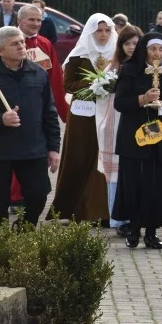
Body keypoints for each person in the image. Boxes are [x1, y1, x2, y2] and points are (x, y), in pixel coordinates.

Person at [112, 33, 162, 249]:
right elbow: (120, 103)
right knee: (135, 183)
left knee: (158, 185)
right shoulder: (129, 69)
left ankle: (152, 233)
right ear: (144, 50)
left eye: (161, 50)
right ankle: (133, 230)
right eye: (153, 49)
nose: (157, 54)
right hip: (134, 137)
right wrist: (143, 99)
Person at [0, 27, 60, 226]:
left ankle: (24, 229)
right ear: (0, 50)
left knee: (39, 195)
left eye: (22, 42)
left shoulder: (37, 73)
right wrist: (0, 119)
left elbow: (50, 113)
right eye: (15, 43)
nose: (22, 46)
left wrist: (54, 148)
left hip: (33, 148)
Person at [51, 14, 118, 224]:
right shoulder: (78, 55)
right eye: (99, 30)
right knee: (79, 158)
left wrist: (111, 86)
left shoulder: (117, 54)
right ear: (91, 31)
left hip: (108, 115)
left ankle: (102, 212)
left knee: (103, 161)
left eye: (107, 30)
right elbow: (68, 84)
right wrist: (94, 86)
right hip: (83, 117)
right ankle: (75, 210)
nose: (103, 35)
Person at [0, 4, 68, 122]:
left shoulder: (45, 44)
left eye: (39, 20)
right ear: (19, 20)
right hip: (9, 105)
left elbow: (55, 78)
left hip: (39, 105)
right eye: (31, 19)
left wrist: (65, 112)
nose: (36, 23)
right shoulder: (5, 41)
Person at [100, 26, 143, 234]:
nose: (132, 47)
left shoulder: (146, 67)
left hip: (136, 121)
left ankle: (136, 217)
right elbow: (102, 92)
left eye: (136, 43)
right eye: (127, 43)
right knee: (115, 175)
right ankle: (118, 219)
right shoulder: (113, 67)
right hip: (115, 120)